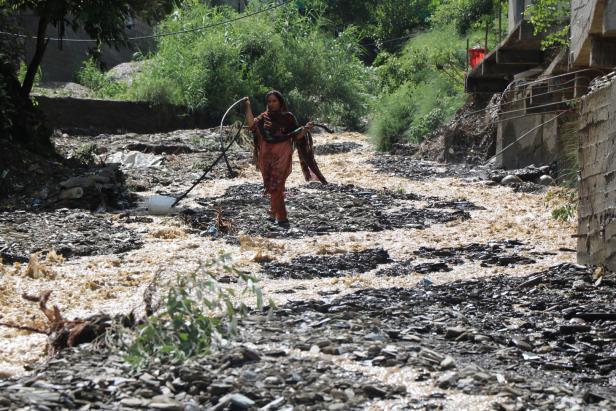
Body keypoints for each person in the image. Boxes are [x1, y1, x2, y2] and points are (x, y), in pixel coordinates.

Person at [244, 90, 316, 227]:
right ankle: (273, 213)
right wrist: (247, 106)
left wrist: (306, 129)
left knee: (276, 185)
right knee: (273, 186)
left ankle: (282, 218)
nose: (271, 104)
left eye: (274, 101)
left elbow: (296, 136)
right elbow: (251, 125)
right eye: (269, 101)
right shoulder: (263, 117)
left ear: (280, 102)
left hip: (283, 155)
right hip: (266, 156)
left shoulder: (288, 118)